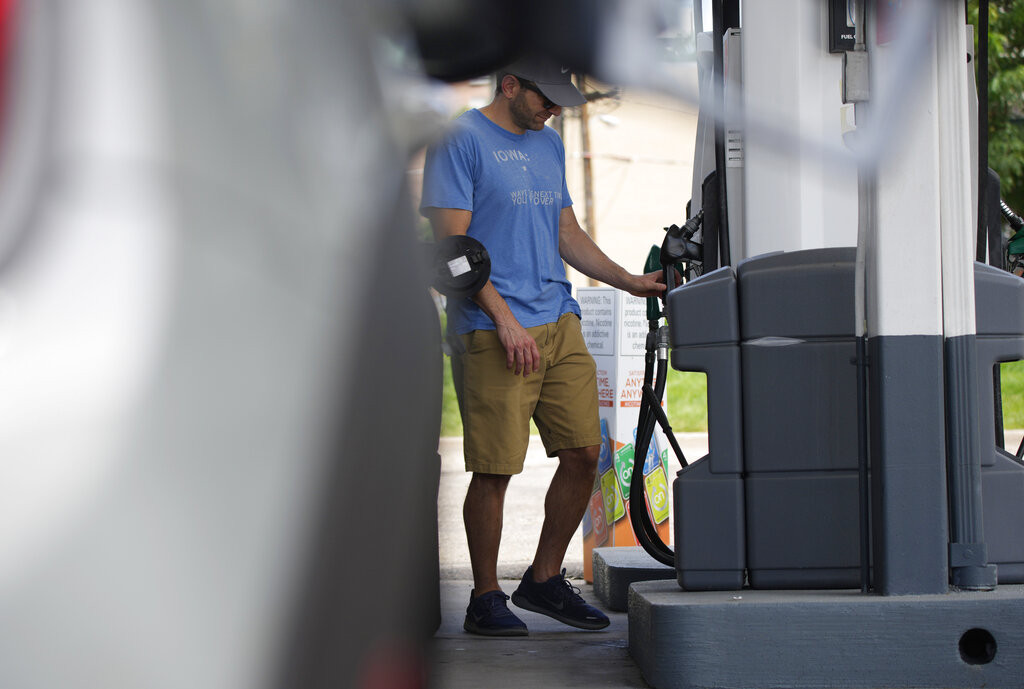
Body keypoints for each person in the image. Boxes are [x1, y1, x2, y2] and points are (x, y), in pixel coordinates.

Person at [421, 55, 666, 636]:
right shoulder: (459, 139)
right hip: (491, 328)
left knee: (585, 453)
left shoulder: (548, 144)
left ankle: (544, 580)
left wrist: (631, 281)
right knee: (495, 470)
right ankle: (485, 597)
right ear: (510, 85)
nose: (553, 109)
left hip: (559, 319)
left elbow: (566, 232)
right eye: (545, 98)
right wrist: (504, 320)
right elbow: (452, 251)